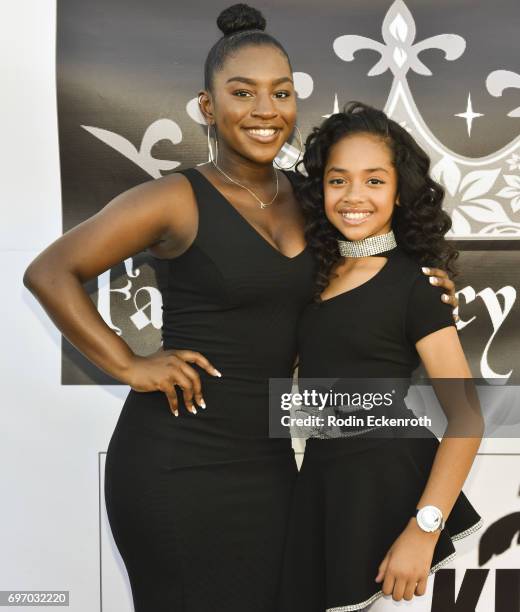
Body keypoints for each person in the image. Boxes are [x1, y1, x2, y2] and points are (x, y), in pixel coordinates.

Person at [22, 4, 460, 610]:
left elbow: (366, 267)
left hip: (274, 467)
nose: (264, 110)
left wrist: (426, 286)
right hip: (176, 464)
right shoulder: (175, 198)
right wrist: (129, 364)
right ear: (208, 106)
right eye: (242, 92)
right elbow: (50, 271)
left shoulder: (310, 201)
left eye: (280, 93)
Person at [279, 102, 483, 612]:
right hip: (324, 489)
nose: (353, 197)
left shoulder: (416, 285)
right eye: (337, 180)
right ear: (319, 187)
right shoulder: (310, 277)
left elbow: (466, 418)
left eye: (374, 181)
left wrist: (424, 529)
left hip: (393, 499)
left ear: (399, 191)